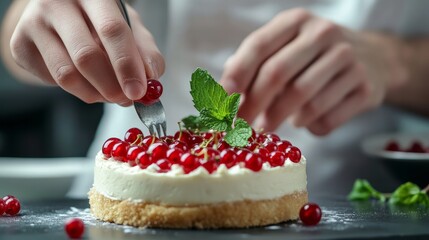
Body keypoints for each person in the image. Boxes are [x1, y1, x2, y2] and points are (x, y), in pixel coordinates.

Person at [2, 0, 429, 197]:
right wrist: (43, 23)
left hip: (355, 204)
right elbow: (17, 31)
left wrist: (398, 62)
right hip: (135, 176)